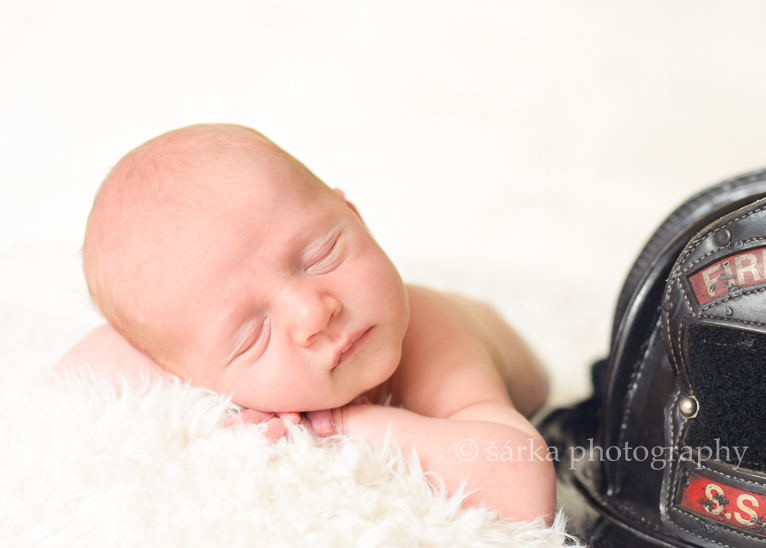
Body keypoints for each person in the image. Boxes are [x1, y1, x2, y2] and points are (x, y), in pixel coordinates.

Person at [56, 124, 554, 523]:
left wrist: (341, 426)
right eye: (253, 332)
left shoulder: (430, 334)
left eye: (320, 255)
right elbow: (73, 378)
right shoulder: (199, 359)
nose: (315, 313)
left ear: (355, 216)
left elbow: (522, 486)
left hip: (507, 351)